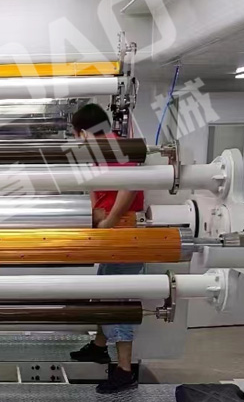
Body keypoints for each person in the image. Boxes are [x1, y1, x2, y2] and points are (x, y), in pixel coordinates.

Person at [67, 103, 144, 394]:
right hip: (110, 228)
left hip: (122, 230)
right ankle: (99, 347)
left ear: (83, 132)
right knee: (104, 291)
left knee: (117, 298)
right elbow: (96, 188)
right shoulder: (101, 152)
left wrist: (109, 220)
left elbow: (130, 186)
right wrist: (94, 216)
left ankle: (124, 371)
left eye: (77, 135)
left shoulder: (115, 149)